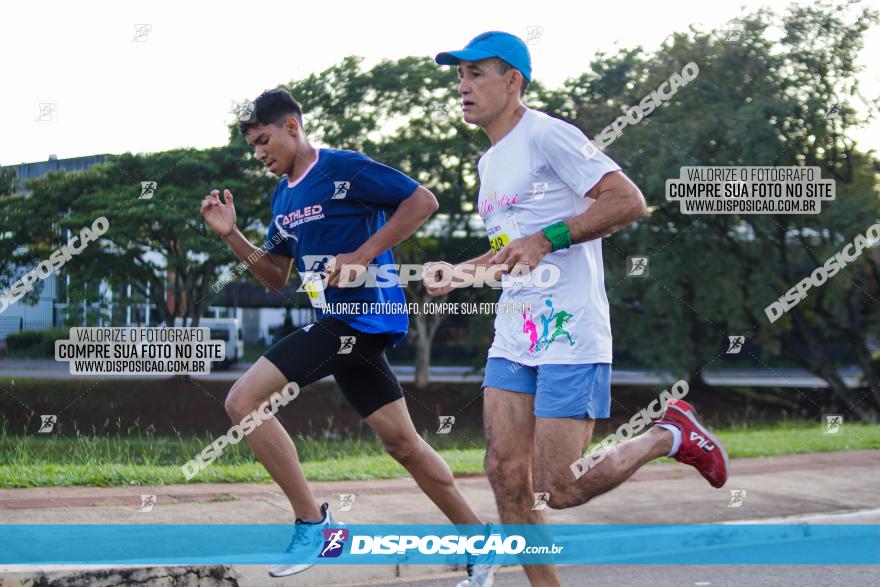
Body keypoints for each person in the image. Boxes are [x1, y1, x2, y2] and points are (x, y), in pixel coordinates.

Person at [425, 32, 729, 586]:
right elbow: (509, 248)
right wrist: (463, 272)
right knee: (504, 475)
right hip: (515, 334)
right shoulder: (489, 163)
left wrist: (548, 237)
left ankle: (670, 435)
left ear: (512, 80)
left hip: (570, 334)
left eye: (475, 75)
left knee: (558, 486)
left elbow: (628, 200)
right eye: (459, 77)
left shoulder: (549, 136)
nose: (462, 87)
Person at [200, 88, 495, 585]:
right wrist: (232, 235)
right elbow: (275, 276)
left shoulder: (344, 168)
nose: (259, 154)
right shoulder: (284, 195)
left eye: (264, 140)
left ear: (293, 126)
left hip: (361, 320)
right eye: (253, 147)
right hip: (343, 327)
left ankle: (314, 524)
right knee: (403, 444)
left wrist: (361, 254)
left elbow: (422, 200)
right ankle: (478, 541)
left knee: (242, 401)